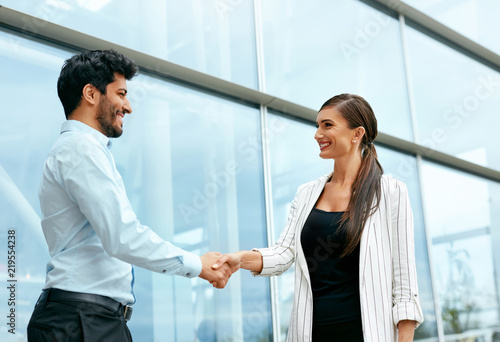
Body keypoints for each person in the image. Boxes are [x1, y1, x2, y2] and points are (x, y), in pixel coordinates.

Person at [27, 49, 232, 342]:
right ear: (90, 93)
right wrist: (198, 265)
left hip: (90, 318)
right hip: (80, 319)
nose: (128, 106)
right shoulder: (80, 149)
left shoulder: (85, 150)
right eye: (121, 93)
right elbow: (122, 236)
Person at [213, 94, 424, 342]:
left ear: (357, 134)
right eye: (317, 126)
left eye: (327, 125)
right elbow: (283, 254)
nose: (317, 134)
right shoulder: (306, 194)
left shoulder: (390, 192)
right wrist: (239, 259)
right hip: (310, 334)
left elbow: (405, 288)